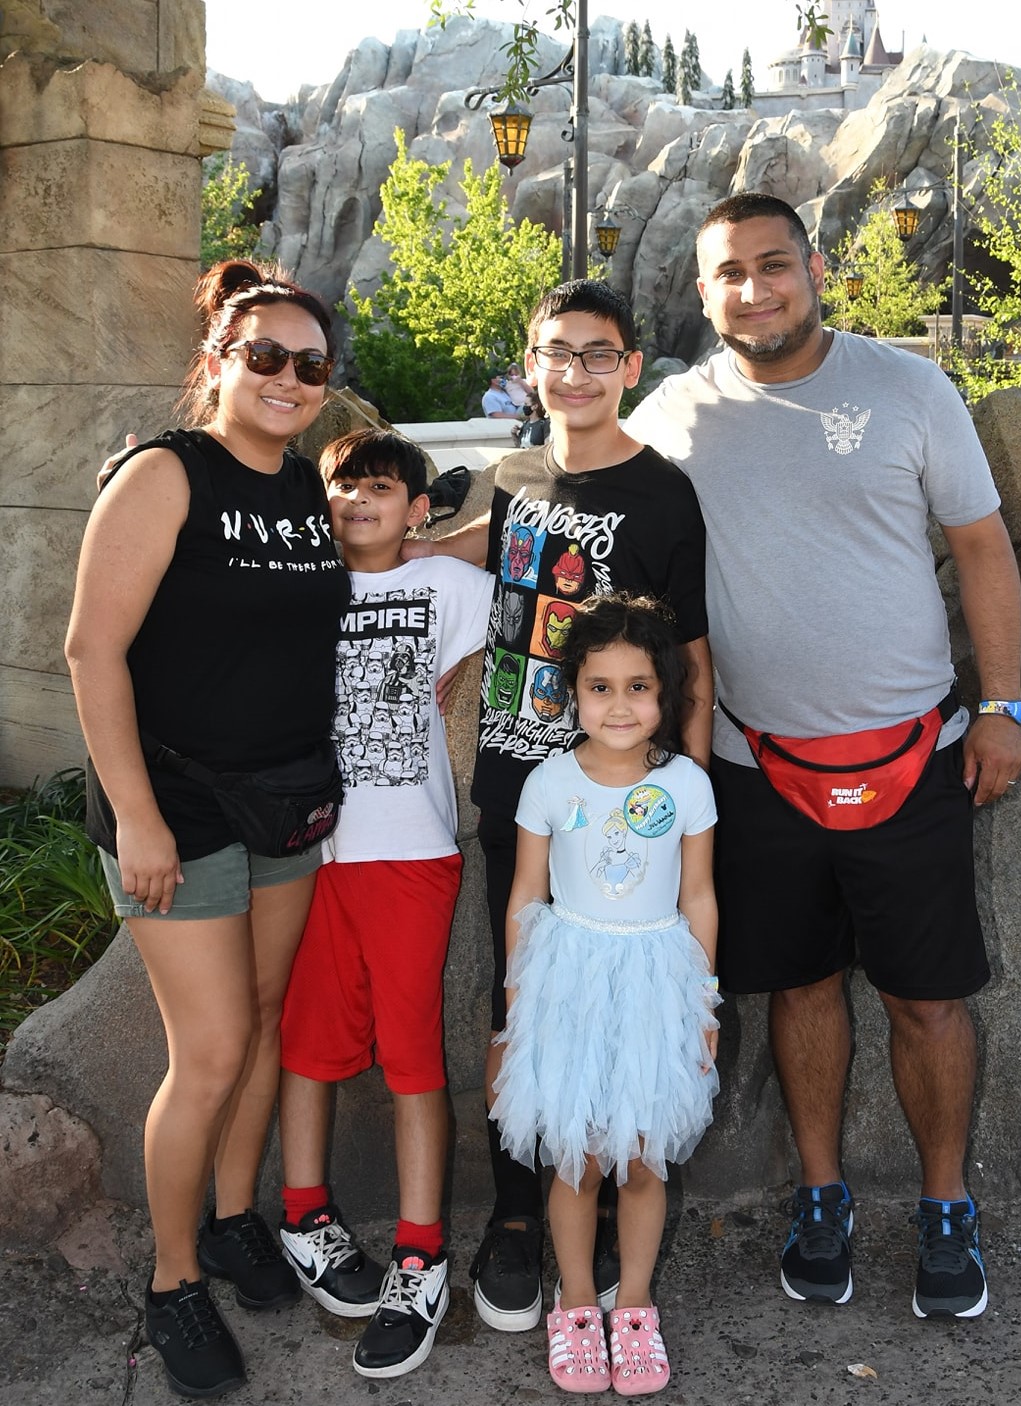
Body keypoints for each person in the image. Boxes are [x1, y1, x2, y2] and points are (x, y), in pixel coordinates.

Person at [626, 193, 1021, 1320]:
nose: (754, 290)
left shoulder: (908, 387)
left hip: (916, 757)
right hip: (758, 766)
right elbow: (570, 481)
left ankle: (946, 1208)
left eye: (773, 266)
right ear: (703, 295)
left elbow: (984, 546)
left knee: (928, 1000)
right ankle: (821, 1194)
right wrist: (413, 527)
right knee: (800, 988)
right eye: (729, 276)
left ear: (815, 269)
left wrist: (1001, 703)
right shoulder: (677, 414)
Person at [65, 259, 349, 1398]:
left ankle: (236, 1218)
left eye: (310, 363)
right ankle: (173, 1279)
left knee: (270, 1018)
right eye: (265, 356)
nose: (288, 378)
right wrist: (134, 814)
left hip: (284, 794)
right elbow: (91, 652)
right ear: (217, 365)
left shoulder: (302, 488)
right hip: (171, 804)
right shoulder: (162, 473)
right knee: (214, 1048)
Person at [407, 279, 712, 1333]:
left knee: (624, 1005)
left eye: (596, 353)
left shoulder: (664, 493)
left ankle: (615, 1235)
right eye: (554, 352)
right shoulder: (517, 471)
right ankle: (518, 1217)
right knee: (522, 996)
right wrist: (392, 545)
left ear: (630, 366)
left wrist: (689, 796)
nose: (573, 371)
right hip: (523, 784)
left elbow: (692, 658)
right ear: (529, 363)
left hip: (629, 804)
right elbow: (483, 539)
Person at [275, 429, 493, 1379]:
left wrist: (433, 541)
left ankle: (418, 1255)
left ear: (415, 504)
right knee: (307, 1043)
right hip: (304, 855)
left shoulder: (446, 588)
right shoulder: (292, 584)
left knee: (410, 1056)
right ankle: (302, 1216)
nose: (356, 500)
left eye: (378, 488)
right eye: (340, 487)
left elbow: (527, 530)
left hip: (409, 852)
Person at [491, 593, 719, 1396]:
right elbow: (525, 894)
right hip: (569, 983)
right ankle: (578, 1303)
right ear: (571, 692)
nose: (619, 705)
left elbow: (697, 897)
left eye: (638, 687)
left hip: (658, 980)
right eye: (599, 687)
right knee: (580, 1156)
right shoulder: (549, 783)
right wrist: (517, 1010)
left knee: (641, 1155)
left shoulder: (687, 784)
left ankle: (634, 1304)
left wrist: (703, 1001)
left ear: (665, 695)